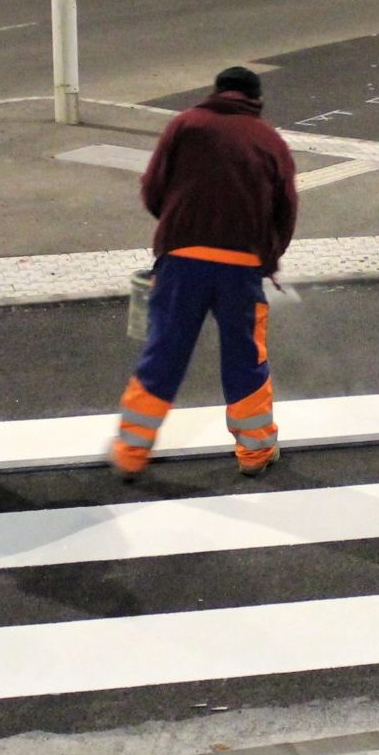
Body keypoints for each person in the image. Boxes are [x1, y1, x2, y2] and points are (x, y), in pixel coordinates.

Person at [112, 66, 299, 481]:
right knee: (245, 360)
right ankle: (255, 453)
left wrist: (180, 227)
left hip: (183, 262)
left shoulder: (184, 125)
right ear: (256, 100)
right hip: (241, 269)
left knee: (164, 353)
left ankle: (130, 453)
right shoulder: (270, 142)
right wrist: (268, 257)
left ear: (216, 93)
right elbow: (285, 212)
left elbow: (152, 188)